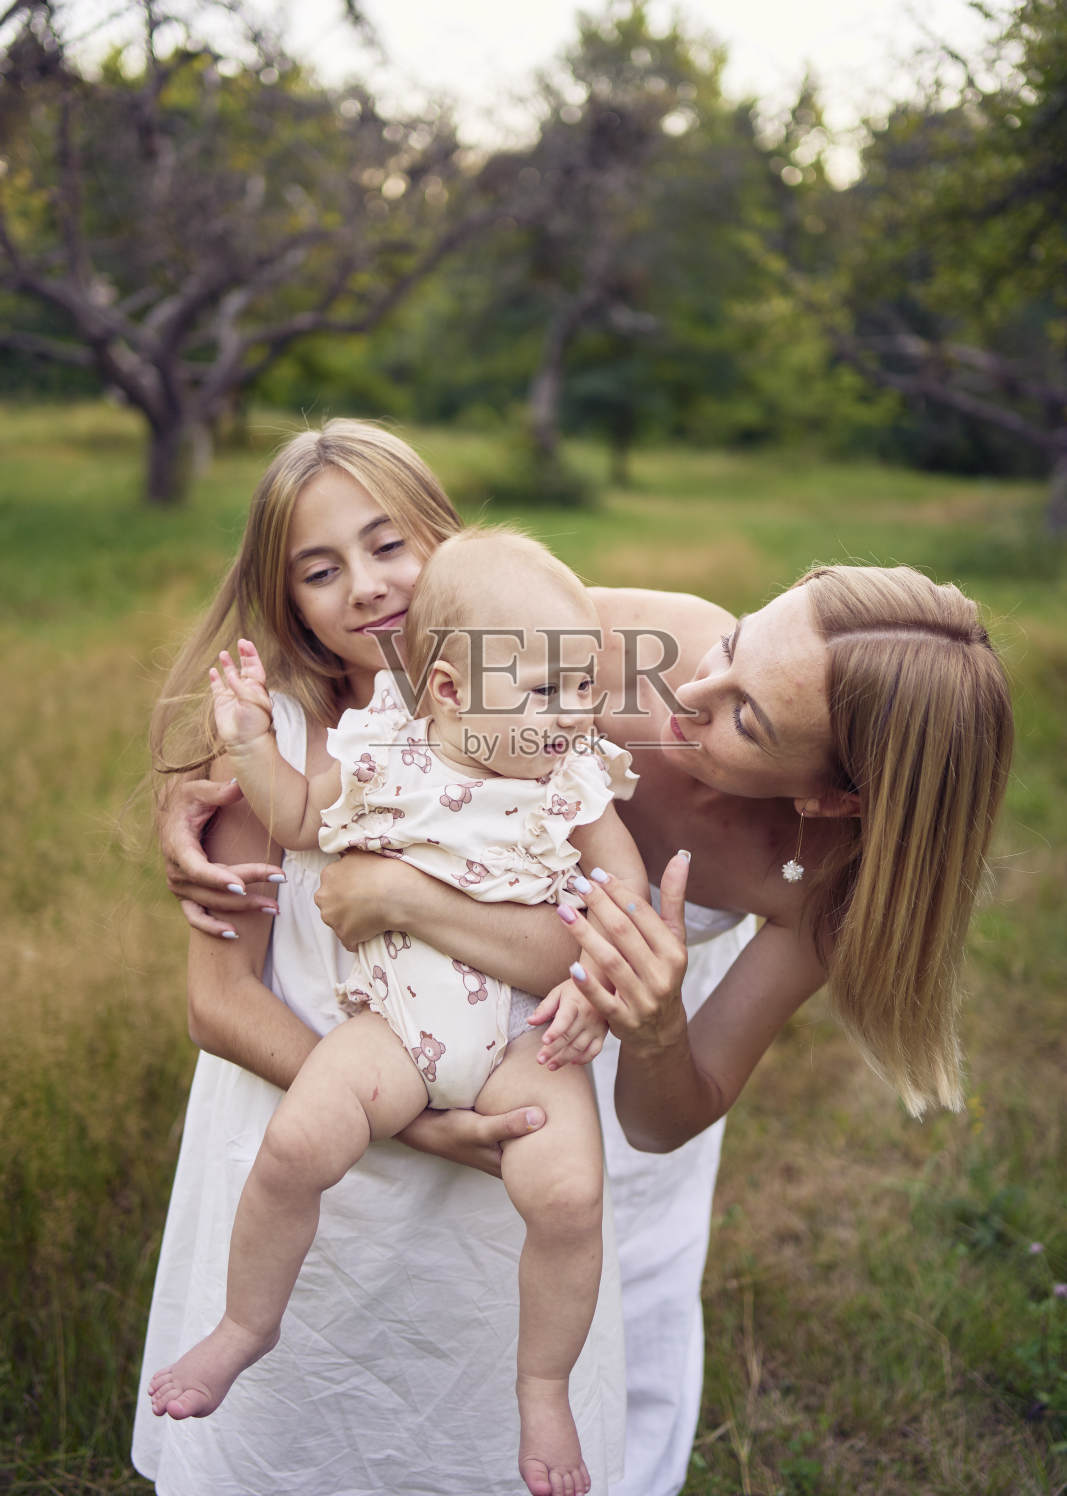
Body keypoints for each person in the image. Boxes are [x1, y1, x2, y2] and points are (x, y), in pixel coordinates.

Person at [141, 421, 1013, 1496]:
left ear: (826, 794)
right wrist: (214, 778)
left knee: (571, 1276)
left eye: (742, 714)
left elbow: (659, 1115)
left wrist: (652, 1029)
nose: (683, 692)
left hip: (576, 1065)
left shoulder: (819, 882)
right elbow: (414, 647)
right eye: (735, 640)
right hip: (391, 1027)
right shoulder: (633, 638)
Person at [147, 527, 648, 1496]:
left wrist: (590, 981)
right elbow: (294, 821)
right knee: (294, 1149)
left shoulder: (574, 778)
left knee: (570, 1199)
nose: (569, 713)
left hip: (521, 1037)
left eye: (582, 687)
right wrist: (248, 743)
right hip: (393, 1027)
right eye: (544, 692)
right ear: (451, 691)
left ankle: (542, 1384)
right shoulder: (384, 753)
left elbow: (620, 888)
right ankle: (245, 1323)